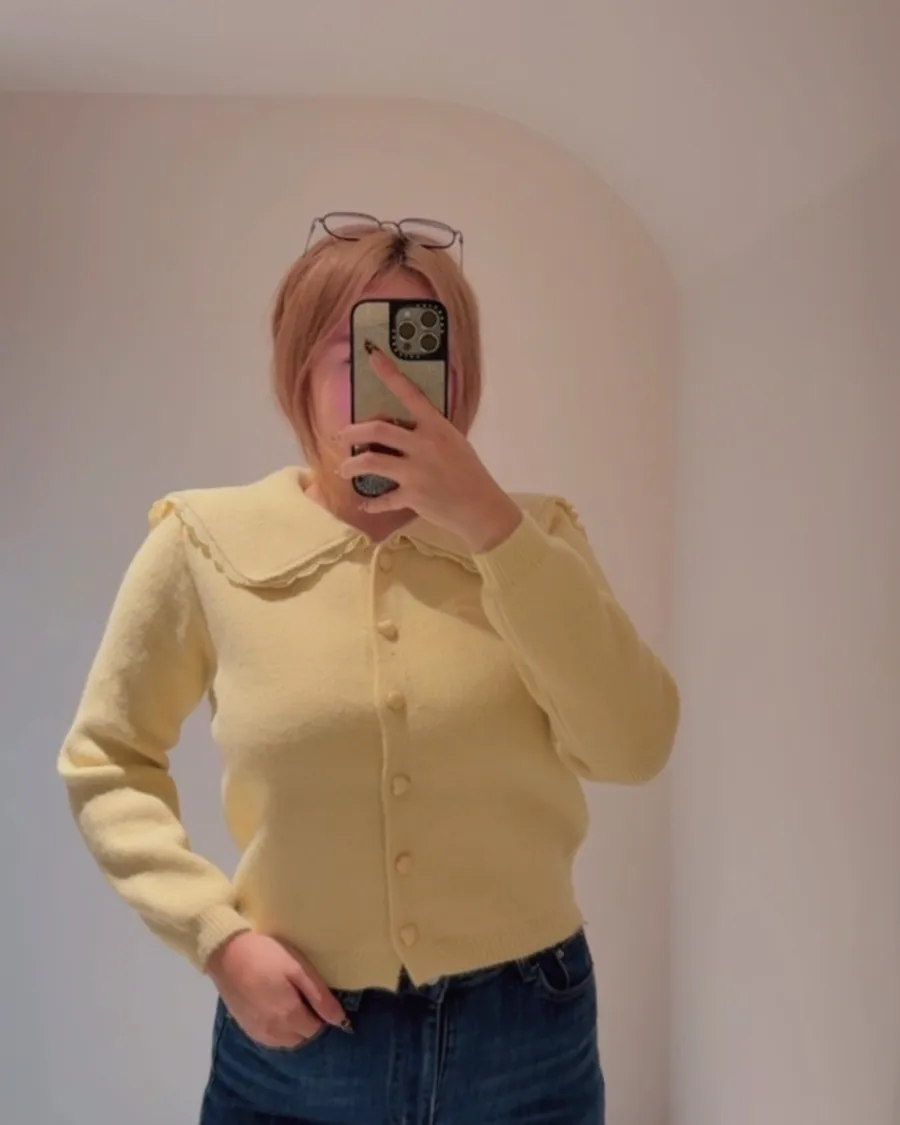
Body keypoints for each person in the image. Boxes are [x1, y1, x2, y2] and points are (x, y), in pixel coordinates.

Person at [57, 212, 680, 1125]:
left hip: (527, 1036)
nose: (391, 384)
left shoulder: (535, 538)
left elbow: (635, 745)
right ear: (298, 369)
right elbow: (107, 760)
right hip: (296, 1039)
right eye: (359, 353)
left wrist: (491, 525)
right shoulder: (203, 543)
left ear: (460, 373)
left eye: (420, 352)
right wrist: (217, 938)